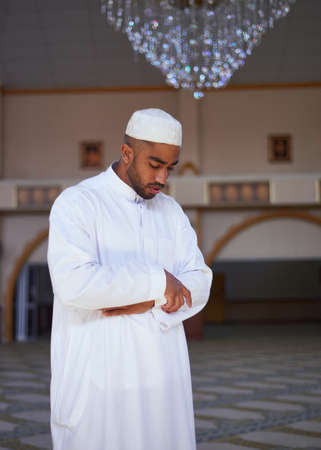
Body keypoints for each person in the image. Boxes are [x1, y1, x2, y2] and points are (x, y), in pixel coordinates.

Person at [48, 108, 212, 450]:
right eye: (155, 164)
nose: (163, 178)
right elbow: (74, 285)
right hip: (99, 383)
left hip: (163, 379)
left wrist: (148, 298)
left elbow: (200, 280)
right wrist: (159, 282)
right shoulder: (79, 203)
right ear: (126, 153)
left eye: (170, 167)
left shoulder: (171, 212)